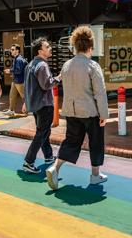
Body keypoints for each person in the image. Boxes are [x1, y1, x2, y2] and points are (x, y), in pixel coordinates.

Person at [46, 26, 109, 190]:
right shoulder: (92, 66)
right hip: (90, 112)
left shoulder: (66, 65)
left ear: (75, 45)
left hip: (71, 111)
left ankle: (54, 168)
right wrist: (104, 114)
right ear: (91, 46)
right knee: (96, 142)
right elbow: (100, 93)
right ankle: (95, 176)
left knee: (71, 141)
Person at [22, 37, 61, 173]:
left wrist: (26, 102)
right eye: (47, 46)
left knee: (44, 131)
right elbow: (47, 84)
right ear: (40, 51)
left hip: (35, 104)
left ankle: (49, 156)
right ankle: (28, 161)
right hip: (44, 104)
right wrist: (59, 78)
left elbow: (26, 86)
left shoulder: (30, 64)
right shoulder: (42, 65)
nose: (50, 48)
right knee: (41, 133)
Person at [4, 44, 27, 116]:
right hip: (16, 80)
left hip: (19, 81)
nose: (11, 51)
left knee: (24, 97)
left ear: (17, 50)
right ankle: (11, 110)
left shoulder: (19, 59)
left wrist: (10, 71)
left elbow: (19, 71)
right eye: (11, 49)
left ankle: (28, 110)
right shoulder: (17, 58)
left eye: (13, 49)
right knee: (12, 96)